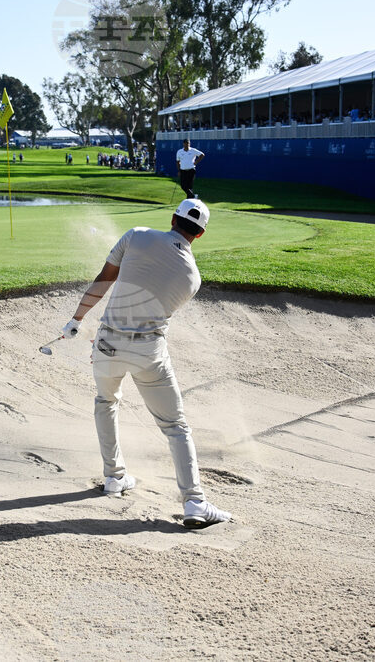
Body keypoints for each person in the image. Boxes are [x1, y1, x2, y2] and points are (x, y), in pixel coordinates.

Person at [61, 198, 232, 529]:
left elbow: (104, 279)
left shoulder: (136, 235)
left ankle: (113, 478)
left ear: (172, 218)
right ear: (200, 235)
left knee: (106, 402)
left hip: (107, 344)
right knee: (175, 427)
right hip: (148, 353)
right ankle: (194, 502)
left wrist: (77, 318)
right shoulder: (193, 279)